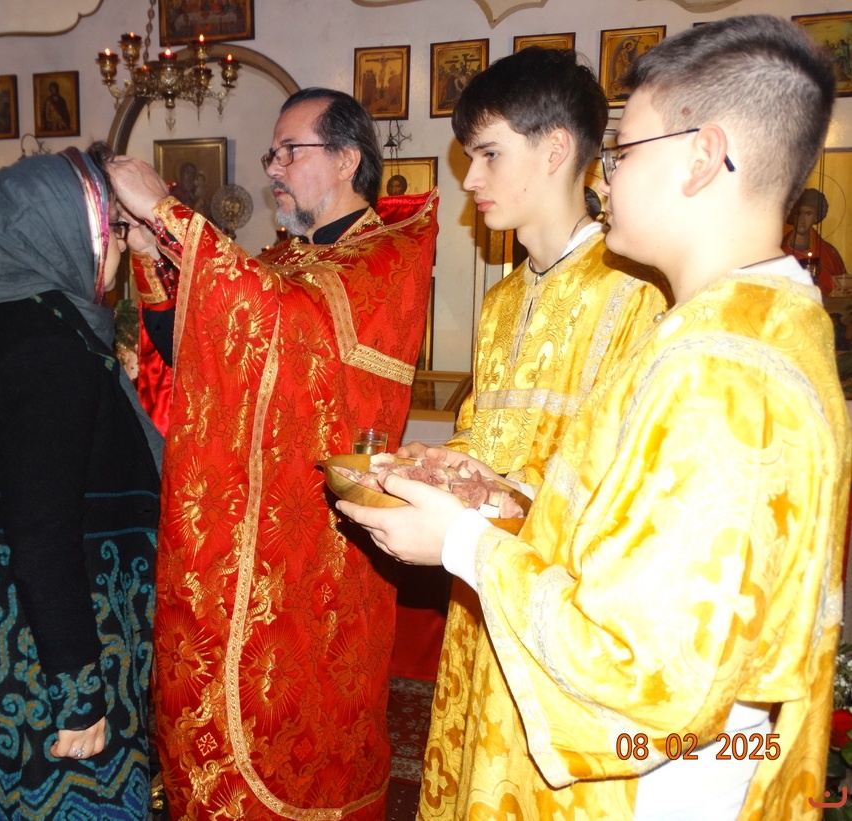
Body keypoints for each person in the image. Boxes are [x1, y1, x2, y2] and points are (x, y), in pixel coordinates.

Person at [340, 15, 849, 819]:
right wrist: (476, 483)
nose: (604, 179)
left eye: (622, 152)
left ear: (702, 156)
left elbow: (644, 669)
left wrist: (462, 539)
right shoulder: (749, 329)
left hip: (656, 780)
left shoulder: (722, 372)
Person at [109, 86, 438, 818]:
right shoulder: (285, 257)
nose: (274, 169)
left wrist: (167, 211)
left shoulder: (389, 253)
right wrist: (155, 257)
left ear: (347, 158)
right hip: (240, 533)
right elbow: (198, 348)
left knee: (304, 732)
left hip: (318, 548)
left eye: (291, 151)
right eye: (272, 154)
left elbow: (286, 325)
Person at [389, 47, 669, 818]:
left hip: (564, 609)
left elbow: (629, 481)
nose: (468, 179)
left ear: (554, 150)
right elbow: (484, 433)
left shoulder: (637, 292)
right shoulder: (502, 300)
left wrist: (491, 499)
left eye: (487, 154)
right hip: (483, 586)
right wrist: (434, 465)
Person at [0, 144, 164, 819]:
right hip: (42, 658)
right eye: (111, 227)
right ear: (61, 234)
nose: (121, 244)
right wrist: (79, 691)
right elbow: (44, 534)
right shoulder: (52, 352)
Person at [782, 187, 847, 295]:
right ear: (792, 216)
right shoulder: (779, 251)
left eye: (808, 214)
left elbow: (842, 289)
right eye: (798, 213)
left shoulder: (828, 253)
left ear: (816, 218)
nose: (802, 219)